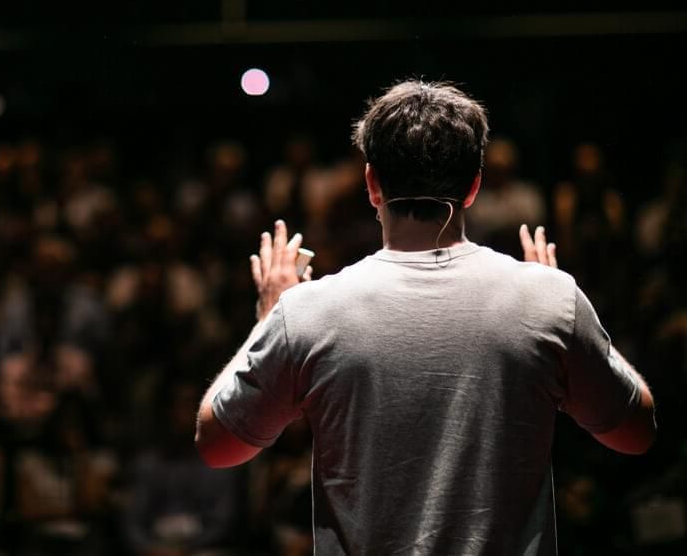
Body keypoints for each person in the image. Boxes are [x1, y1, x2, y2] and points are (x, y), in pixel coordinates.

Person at [195, 80, 657, 555]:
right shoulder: (548, 299)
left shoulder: (308, 310)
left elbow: (218, 445)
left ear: (372, 183)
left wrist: (268, 319)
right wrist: (561, 311)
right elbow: (636, 433)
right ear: (474, 186)